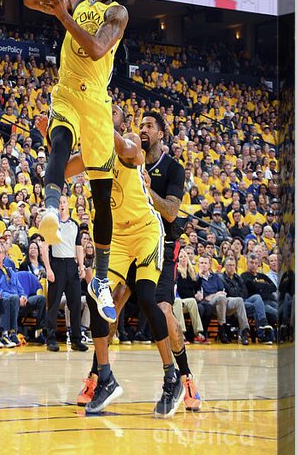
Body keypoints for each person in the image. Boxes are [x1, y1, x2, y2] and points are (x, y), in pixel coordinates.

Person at [23, 0, 128, 323]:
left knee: (101, 194)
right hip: (66, 89)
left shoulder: (117, 13)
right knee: (59, 143)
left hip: (97, 102)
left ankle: (100, 280)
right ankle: (51, 209)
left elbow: (99, 49)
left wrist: (63, 20)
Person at [65, 106, 193, 417]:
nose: (106, 115)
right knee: (98, 299)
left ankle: (174, 377)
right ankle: (104, 377)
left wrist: (92, 118)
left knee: (151, 300)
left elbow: (122, 146)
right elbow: (64, 171)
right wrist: (52, 139)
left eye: (112, 114)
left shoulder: (131, 143)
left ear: (122, 125)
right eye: (103, 112)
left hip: (147, 233)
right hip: (117, 239)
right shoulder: (95, 150)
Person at [139, 112, 197, 390]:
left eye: (149, 126)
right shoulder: (131, 160)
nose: (143, 129)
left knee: (163, 309)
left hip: (163, 244)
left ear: (161, 134)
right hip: (133, 242)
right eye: (140, 125)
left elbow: (172, 212)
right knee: (111, 305)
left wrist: (147, 191)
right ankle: (97, 376)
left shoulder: (174, 168)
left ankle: (185, 377)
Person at [40, 195, 88, 353]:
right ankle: (51, 338)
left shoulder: (74, 224)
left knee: (74, 304)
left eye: (64, 202)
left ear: (68, 205)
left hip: (71, 266)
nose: (61, 205)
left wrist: (81, 265)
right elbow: (44, 247)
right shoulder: (52, 223)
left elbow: (79, 246)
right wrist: (48, 268)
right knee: (53, 305)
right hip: (57, 265)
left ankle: (76, 339)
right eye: (59, 202)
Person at [221, 255, 274, 344]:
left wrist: (239, 293)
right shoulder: (222, 278)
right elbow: (230, 293)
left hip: (243, 300)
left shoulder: (238, 278)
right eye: (229, 265)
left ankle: (263, 323)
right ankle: (261, 335)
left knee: (257, 297)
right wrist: (238, 293)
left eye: (233, 265)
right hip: (232, 303)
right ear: (225, 266)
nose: (231, 267)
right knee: (256, 306)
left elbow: (244, 292)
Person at [199, 254, 250, 345]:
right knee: (220, 297)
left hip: (222, 302)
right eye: (201, 263)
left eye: (205, 263)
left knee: (239, 300)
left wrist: (215, 295)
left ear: (209, 265)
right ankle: (222, 329)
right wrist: (215, 295)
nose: (203, 265)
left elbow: (222, 291)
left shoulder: (215, 276)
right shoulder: (197, 278)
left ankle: (244, 332)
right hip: (210, 306)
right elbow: (203, 298)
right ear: (198, 264)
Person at [0, 241, 26, 347]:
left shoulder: (10, 270)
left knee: (38, 299)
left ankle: (15, 333)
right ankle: (8, 333)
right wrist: (16, 297)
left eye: (0, 252)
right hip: (2, 300)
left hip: (14, 299)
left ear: (4, 255)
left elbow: (19, 287)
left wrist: (23, 296)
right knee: (11, 298)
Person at [173, 246, 208, 344]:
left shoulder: (191, 271)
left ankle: (197, 333)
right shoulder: (177, 272)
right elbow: (180, 289)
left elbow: (196, 288)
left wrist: (200, 277)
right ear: (177, 260)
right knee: (179, 301)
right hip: (177, 300)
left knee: (192, 301)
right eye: (180, 257)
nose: (183, 258)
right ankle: (181, 333)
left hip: (186, 301)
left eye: (185, 256)